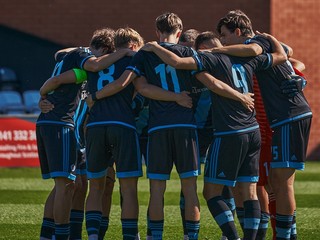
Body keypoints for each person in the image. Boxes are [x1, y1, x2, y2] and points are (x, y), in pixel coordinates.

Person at [140, 28, 287, 240]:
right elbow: (285, 54)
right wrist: (268, 39)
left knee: (213, 188)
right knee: (241, 188)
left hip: (222, 130)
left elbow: (187, 68)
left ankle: (230, 235)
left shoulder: (207, 63)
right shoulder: (244, 58)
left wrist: (154, 45)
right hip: (230, 129)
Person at [213, 9, 312, 240]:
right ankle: (287, 234)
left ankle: (285, 236)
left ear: (238, 32)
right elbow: (288, 52)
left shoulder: (255, 42)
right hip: (284, 118)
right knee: (275, 182)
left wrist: (216, 50)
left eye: (225, 36)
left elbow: (258, 49)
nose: (223, 41)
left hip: (291, 115)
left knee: (282, 182)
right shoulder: (265, 41)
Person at [37, 27, 132, 240]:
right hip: (59, 122)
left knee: (79, 183)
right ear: (106, 49)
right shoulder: (84, 57)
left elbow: (59, 55)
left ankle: (73, 234)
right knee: (65, 183)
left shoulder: (74, 58)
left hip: (72, 128)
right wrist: (42, 95)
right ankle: (55, 235)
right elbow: (87, 67)